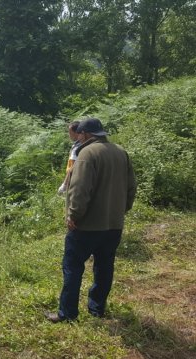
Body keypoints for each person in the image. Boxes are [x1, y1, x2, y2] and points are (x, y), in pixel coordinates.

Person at [46, 117, 137, 323]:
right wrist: (120, 211)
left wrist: (73, 215)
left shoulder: (87, 154)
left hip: (86, 226)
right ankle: (97, 308)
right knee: (105, 266)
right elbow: (132, 188)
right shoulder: (120, 152)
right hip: (113, 225)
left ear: (85, 134)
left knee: (73, 266)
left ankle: (67, 313)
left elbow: (79, 190)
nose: (77, 137)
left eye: (79, 134)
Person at [58, 121, 81, 194]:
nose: (69, 135)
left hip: (73, 182)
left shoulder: (77, 148)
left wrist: (64, 185)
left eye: (70, 132)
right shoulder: (83, 145)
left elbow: (72, 168)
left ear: (77, 133)